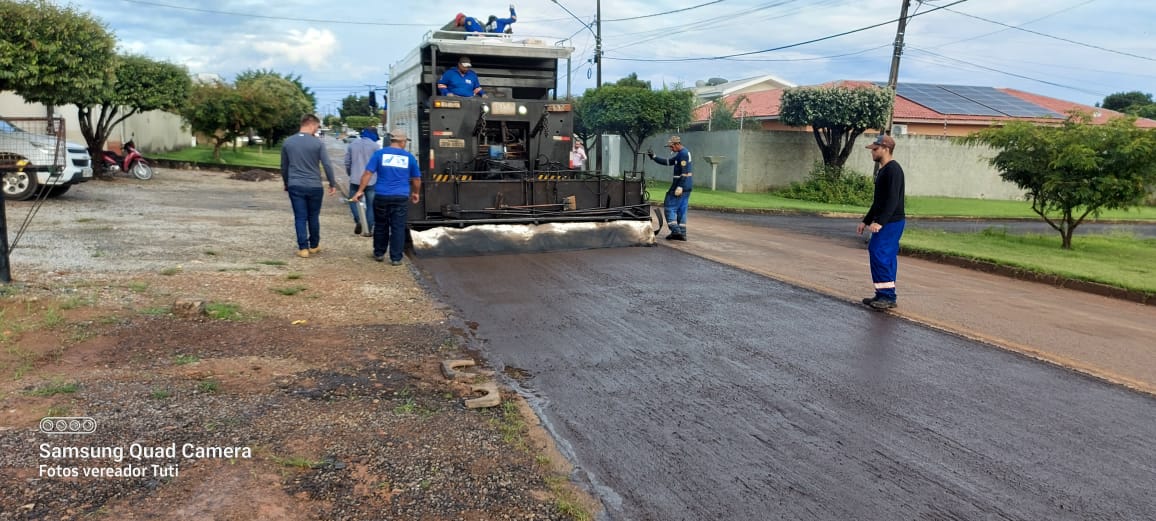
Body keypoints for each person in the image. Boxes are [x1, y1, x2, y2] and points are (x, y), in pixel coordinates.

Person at [353, 129, 422, 266]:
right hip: (400, 197)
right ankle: (396, 258)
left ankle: (379, 253)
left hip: (382, 195)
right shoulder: (409, 157)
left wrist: (360, 191)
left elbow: (367, 173)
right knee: (398, 227)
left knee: (381, 225)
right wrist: (415, 193)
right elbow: (416, 179)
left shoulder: (379, 154)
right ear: (402, 142)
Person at [858, 134, 906, 310]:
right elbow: (878, 201)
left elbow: (893, 199)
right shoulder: (883, 170)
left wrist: (881, 222)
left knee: (879, 252)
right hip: (887, 221)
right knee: (883, 253)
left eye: (875, 149)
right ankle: (882, 293)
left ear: (886, 149)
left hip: (892, 222)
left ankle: (888, 296)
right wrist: (866, 220)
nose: (873, 152)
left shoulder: (893, 170)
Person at [281, 113, 338, 258]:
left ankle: (303, 248)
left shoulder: (288, 142)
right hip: (314, 185)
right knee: (313, 216)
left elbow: (284, 166)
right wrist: (332, 183)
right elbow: (327, 164)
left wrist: (287, 183)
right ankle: (314, 245)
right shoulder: (318, 143)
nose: (316, 130)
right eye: (317, 127)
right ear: (311, 124)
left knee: (300, 217)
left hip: (295, 184)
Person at [647, 135, 693, 241]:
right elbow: (668, 162)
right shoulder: (681, 154)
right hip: (687, 186)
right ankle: (682, 233)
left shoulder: (683, 154)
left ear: (677, 144)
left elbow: (685, 172)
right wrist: (654, 157)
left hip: (680, 186)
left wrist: (680, 187)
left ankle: (675, 231)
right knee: (682, 210)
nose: (670, 149)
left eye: (671, 147)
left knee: (669, 207)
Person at [344, 127, 381, 236]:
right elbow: (379, 165)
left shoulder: (352, 145)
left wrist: (350, 173)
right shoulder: (376, 147)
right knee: (371, 205)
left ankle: (358, 220)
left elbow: (347, 162)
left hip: (355, 179)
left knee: (352, 200)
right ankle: (368, 230)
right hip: (371, 180)